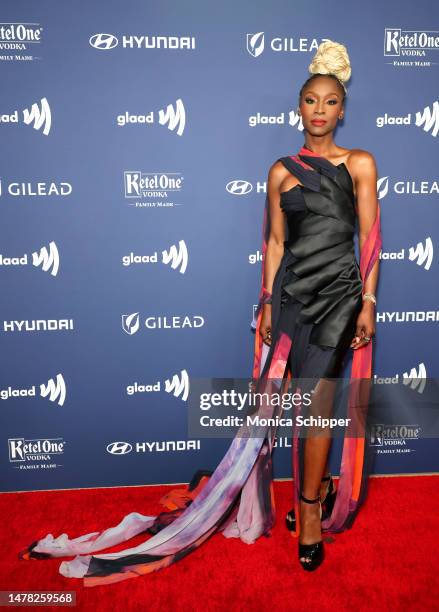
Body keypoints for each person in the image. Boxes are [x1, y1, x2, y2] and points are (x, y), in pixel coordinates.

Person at [18, 40, 382, 585]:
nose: (321, 110)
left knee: (318, 410)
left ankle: (309, 510)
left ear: (342, 109)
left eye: (330, 101)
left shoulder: (360, 163)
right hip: (289, 301)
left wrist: (368, 304)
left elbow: (371, 240)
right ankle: (309, 492)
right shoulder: (280, 171)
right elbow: (275, 245)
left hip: (338, 300)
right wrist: (264, 302)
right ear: (299, 108)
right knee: (279, 414)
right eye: (311, 100)